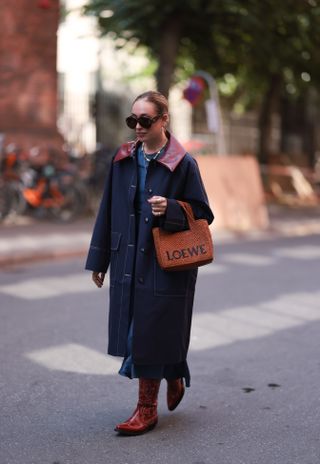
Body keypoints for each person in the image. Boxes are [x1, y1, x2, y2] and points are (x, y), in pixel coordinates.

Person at [85, 90, 214, 436]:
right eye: (133, 120)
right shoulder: (123, 158)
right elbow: (107, 211)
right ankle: (174, 373)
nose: (138, 127)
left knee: (147, 334)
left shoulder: (183, 163)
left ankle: (146, 410)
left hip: (166, 264)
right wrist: (99, 259)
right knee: (140, 333)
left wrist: (171, 209)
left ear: (163, 120)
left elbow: (203, 214)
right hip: (128, 259)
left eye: (145, 120)